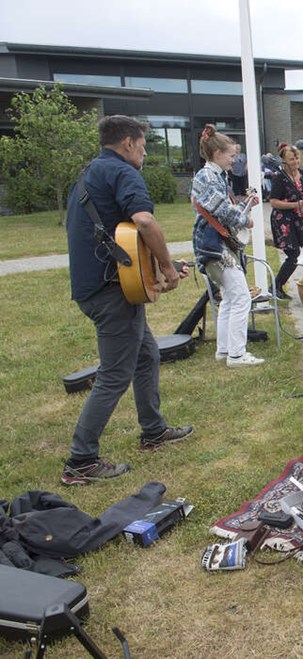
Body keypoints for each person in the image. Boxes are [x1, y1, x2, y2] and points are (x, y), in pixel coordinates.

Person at [62, 115, 193, 485]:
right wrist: (167, 269)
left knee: (147, 354)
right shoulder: (123, 173)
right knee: (114, 373)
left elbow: (123, 240)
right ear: (128, 144)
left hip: (98, 286)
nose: (145, 153)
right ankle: (81, 460)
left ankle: (153, 430)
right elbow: (145, 223)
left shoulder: (91, 174)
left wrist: (163, 265)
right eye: (143, 145)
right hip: (111, 293)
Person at [191, 124, 264, 367]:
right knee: (241, 297)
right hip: (214, 246)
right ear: (217, 154)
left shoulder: (216, 176)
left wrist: (246, 205)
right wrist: (246, 219)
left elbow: (223, 207)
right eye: (232, 155)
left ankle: (225, 350)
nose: (235, 160)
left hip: (215, 244)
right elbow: (221, 210)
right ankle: (237, 355)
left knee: (231, 299)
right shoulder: (207, 177)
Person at [268, 143, 303, 301]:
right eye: (292, 159)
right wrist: (294, 205)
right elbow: (273, 201)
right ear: (284, 161)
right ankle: (276, 286)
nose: (296, 161)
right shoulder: (279, 178)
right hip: (285, 221)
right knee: (293, 255)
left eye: (297, 158)